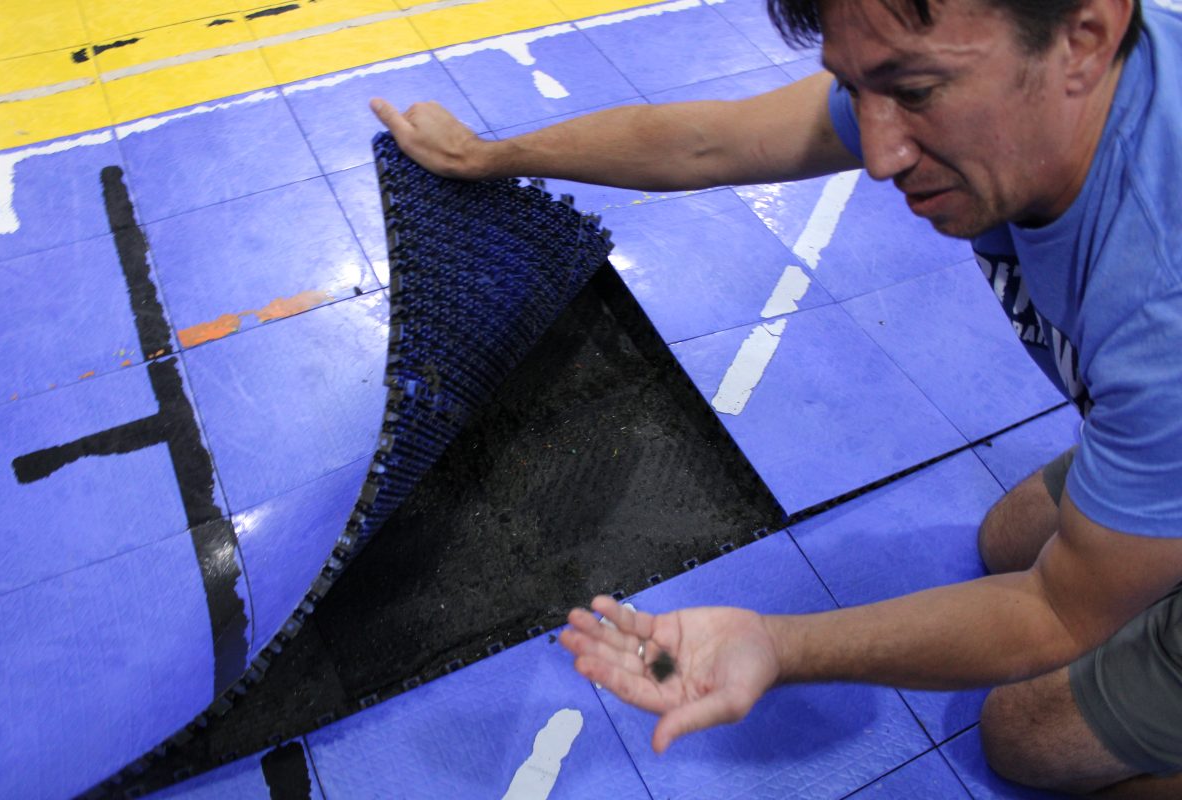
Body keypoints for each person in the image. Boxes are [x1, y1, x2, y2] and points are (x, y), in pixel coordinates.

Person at [371, 0, 1182, 794]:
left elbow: (1055, 611)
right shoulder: (1014, 68)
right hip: (1154, 402)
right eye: (857, 86)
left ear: (1085, 37)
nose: (880, 155)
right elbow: (709, 143)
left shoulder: (1160, 306)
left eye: (916, 92)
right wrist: (490, 155)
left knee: (1026, 736)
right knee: (1012, 539)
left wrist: (779, 643)